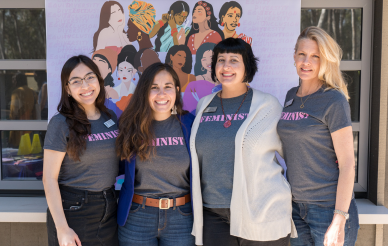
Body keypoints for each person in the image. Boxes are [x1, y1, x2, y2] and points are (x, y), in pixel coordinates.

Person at [190, 38, 295, 245]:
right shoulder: (204, 105)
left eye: (234, 60)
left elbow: (293, 154)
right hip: (213, 214)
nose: (226, 66)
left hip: (261, 212)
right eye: (221, 60)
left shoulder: (267, 105)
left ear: (247, 66)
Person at [277, 26, 359, 246]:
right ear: (294, 56)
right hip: (296, 208)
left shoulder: (333, 100)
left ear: (325, 61)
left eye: (315, 57)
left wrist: (339, 219)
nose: (307, 62)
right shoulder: (289, 97)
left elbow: (348, 163)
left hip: (328, 209)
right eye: (302, 55)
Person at [116, 62, 195, 245]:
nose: (161, 94)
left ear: (176, 90)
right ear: (144, 92)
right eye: (154, 88)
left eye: (167, 87)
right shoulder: (130, 125)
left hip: (182, 217)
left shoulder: (190, 123)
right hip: (137, 217)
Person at [43, 55, 119, 246]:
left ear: (99, 81)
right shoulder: (60, 123)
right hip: (75, 209)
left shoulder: (109, 118)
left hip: (109, 206)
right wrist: (62, 228)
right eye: (76, 81)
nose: (85, 86)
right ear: (67, 89)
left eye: (89, 77)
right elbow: (49, 178)